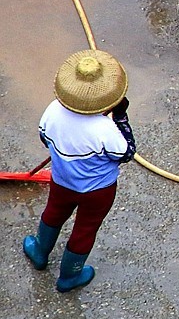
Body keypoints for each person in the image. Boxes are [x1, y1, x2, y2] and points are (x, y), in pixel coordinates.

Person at [22, 50, 136, 292]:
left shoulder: (52, 110)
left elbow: (44, 138)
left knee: (53, 212)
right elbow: (126, 153)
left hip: (62, 181)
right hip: (98, 190)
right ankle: (69, 276)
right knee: (85, 228)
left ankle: (40, 252)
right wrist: (122, 118)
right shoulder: (105, 129)